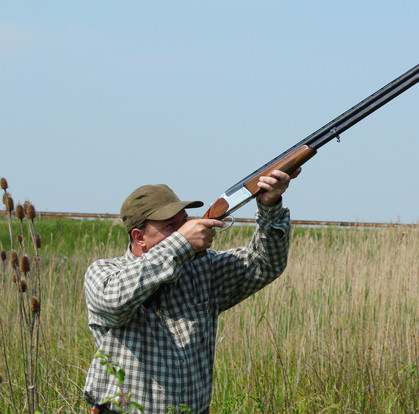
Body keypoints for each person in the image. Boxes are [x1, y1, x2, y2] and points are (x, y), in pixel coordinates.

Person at [82, 169, 299, 414]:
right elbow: (114, 302)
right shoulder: (103, 273)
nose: (184, 229)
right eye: (170, 225)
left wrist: (271, 208)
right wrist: (182, 243)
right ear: (139, 236)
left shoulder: (201, 268)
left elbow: (265, 264)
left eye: (184, 221)